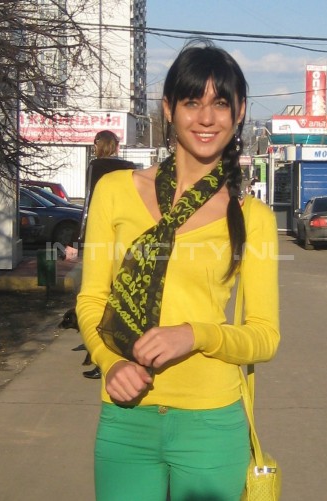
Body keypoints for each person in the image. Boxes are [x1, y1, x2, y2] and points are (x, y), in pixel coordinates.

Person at [76, 40, 280, 500]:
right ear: (168, 109)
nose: (206, 118)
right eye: (192, 102)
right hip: (127, 415)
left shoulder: (252, 218)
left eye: (220, 104)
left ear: (239, 112)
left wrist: (196, 335)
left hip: (211, 423)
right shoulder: (115, 190)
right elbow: (92, 300)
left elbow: (265, 337)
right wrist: (110, 362)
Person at [72, 130, 136, 379]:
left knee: (98, 297)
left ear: (98, 145)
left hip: (101, 236)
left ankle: (105, 358)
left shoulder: (96, 166)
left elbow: (90, 203)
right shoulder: (130, 167)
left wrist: (79, 237)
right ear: (117, 146)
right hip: (127, 236)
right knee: (121, 297)